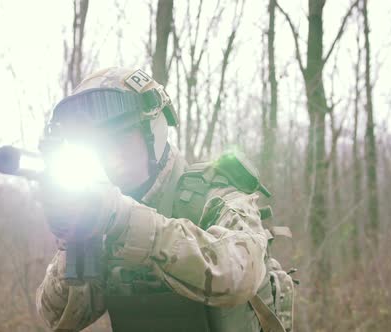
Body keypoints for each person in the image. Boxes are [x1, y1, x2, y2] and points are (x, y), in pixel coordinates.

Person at [35, 67, 294, 332]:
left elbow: (239, 276)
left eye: (120, 137)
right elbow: (58, 317)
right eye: (98, 146)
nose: (110, 155)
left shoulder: (215, 194)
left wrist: (124, 219)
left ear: (153, 132)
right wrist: (76, 240)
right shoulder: (101, 215)